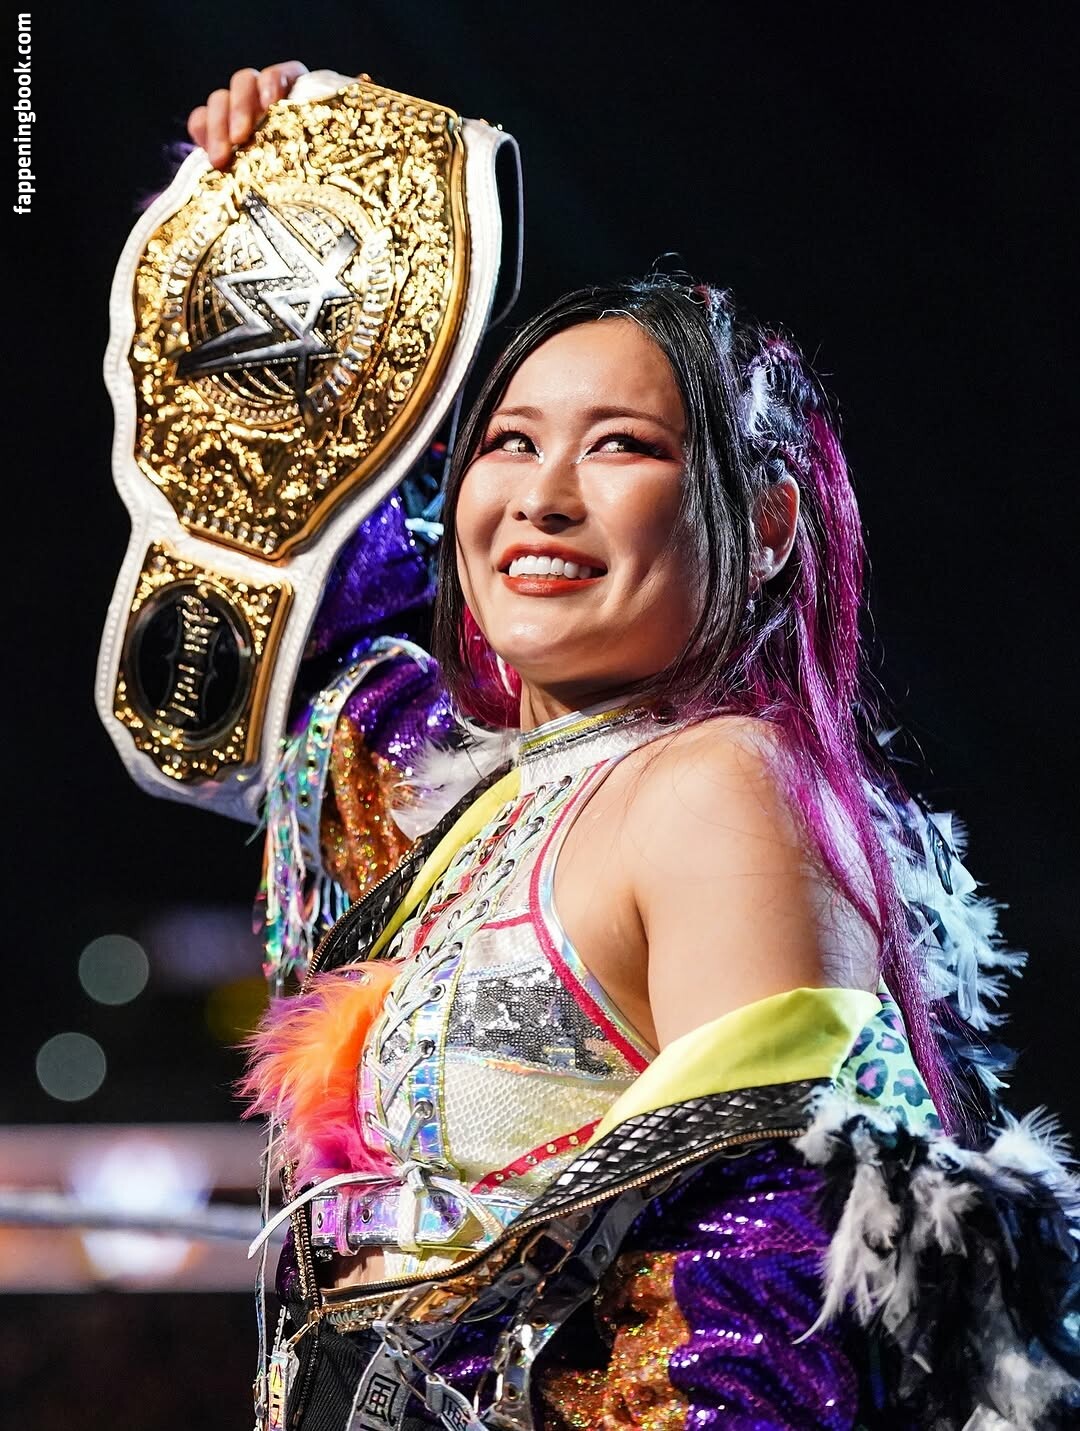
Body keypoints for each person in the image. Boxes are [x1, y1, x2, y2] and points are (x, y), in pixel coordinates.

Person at [189, 65, 1079, 1430]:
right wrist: (301, 238)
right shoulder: (480, 804)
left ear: (768, 525)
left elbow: (767, 1295)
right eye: (506, 443)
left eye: (619, 448)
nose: (541, 497)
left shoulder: (720, 787)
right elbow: (283, 638)